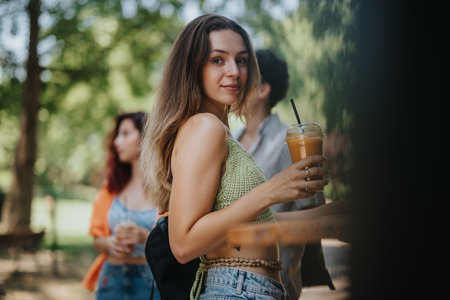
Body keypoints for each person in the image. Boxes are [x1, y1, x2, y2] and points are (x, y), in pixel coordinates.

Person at [140, 14, 329, 300]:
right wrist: (270, 191)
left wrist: (330, 215)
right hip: (236, 290)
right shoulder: (205, 127)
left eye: (241, 60)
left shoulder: (220, 130)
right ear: (193, 67)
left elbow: (246, 226)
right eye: (218, 60)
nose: (235, 71)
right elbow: (183, 244)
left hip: (251, 289)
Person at [233, 49, 334, 299]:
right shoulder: (229, 140)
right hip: (226, 280)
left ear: (263, 89)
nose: (233, 77)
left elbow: (313, 215)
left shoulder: (289, 143)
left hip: (272, 285)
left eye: (244, 72)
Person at [82, 112, 161, 300]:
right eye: (118, 135)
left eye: (125, 134)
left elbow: (178, 241)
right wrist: (109, 243)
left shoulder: (167, 189)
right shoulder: (110, 189)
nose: (117, 142)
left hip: (151, 281)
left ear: (146, 136)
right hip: (111, 278)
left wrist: (146, 237)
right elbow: (97, 240)